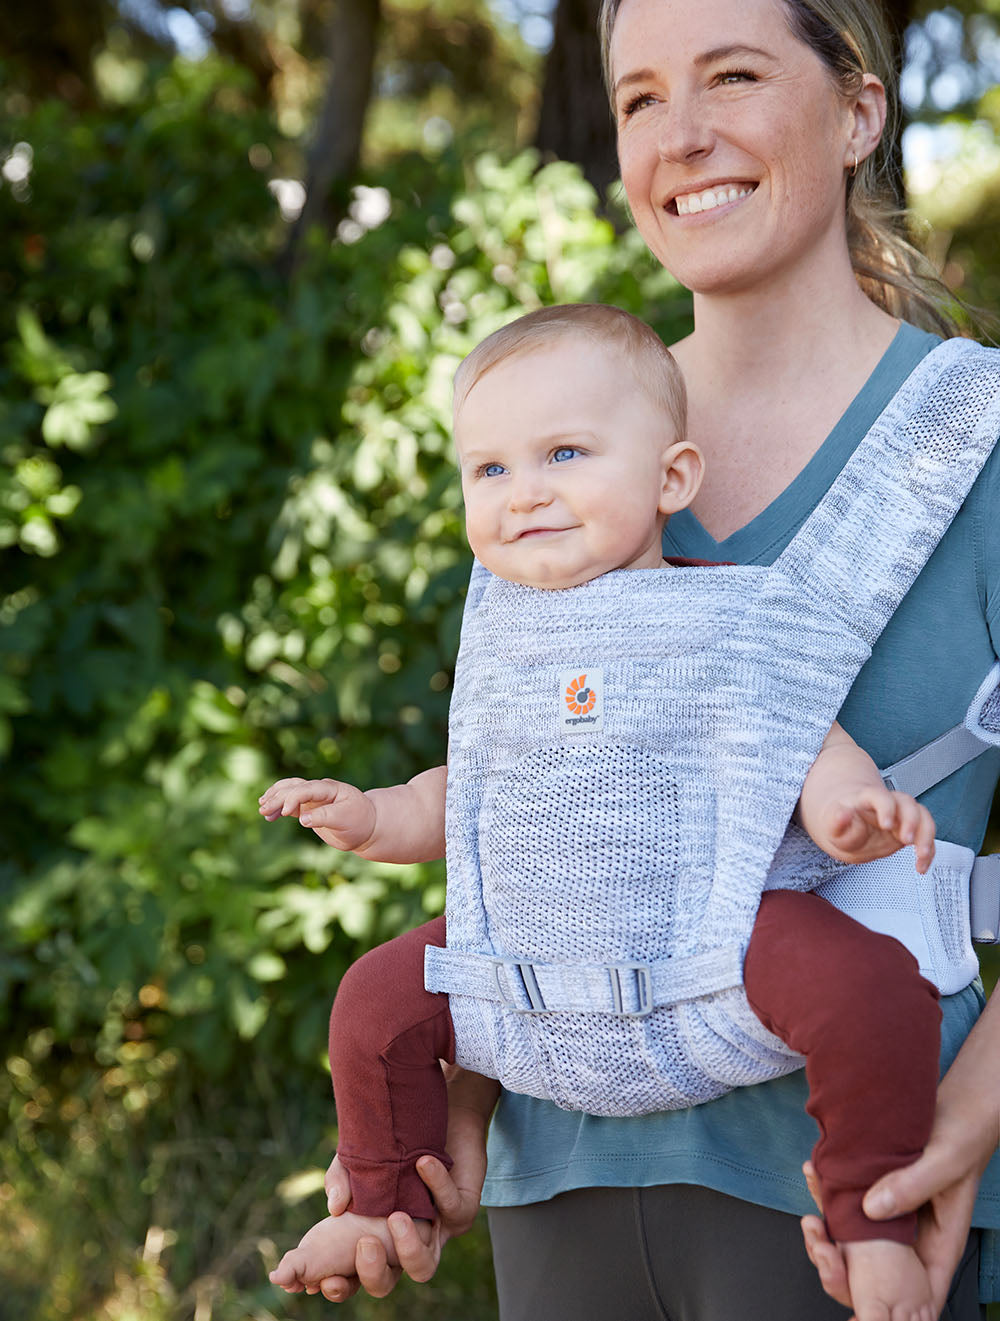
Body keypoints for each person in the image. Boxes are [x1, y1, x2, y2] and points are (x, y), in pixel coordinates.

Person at [274, 0, 1000, 1317]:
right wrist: (463, 1077)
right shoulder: (560, 443)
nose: (683, 134)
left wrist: (970, 1113)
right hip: (565, 1201)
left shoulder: (972, 445)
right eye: (640, 99)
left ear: (859, 111)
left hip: (871, 1220)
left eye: (732, 76)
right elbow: (546, 799)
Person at [261, 303, 948, 1321]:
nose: (522, 492)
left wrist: (848, 809)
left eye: (563, 454)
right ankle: (378, 1200)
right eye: (487, 470)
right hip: (527, 961)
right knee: (372, 1003)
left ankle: (869, 1218)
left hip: (714, 944)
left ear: (672, 477)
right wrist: (372, 816)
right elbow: (470, 796)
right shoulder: (503, 632)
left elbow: (798, 734)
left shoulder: (734, 610)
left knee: (871, 989)